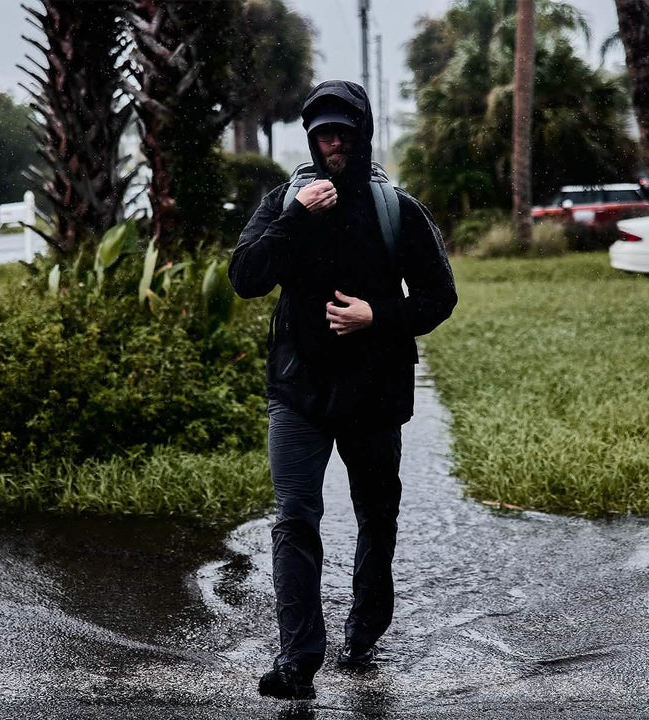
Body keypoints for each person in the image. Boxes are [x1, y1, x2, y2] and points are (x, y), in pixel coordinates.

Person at [229, 80, 457, 701]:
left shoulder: (396, 211)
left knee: (375, 515)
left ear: (363, 137)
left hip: (374, 392)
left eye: (344, 133)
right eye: (324, 133)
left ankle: (364, 628)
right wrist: (296, 215)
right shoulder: (284, 203)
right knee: (295, 518)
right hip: (297, 390)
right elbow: (245, 277)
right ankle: (298, 658)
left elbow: (441, 297)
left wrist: (376, 316)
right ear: (311, 138)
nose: (334, 144)